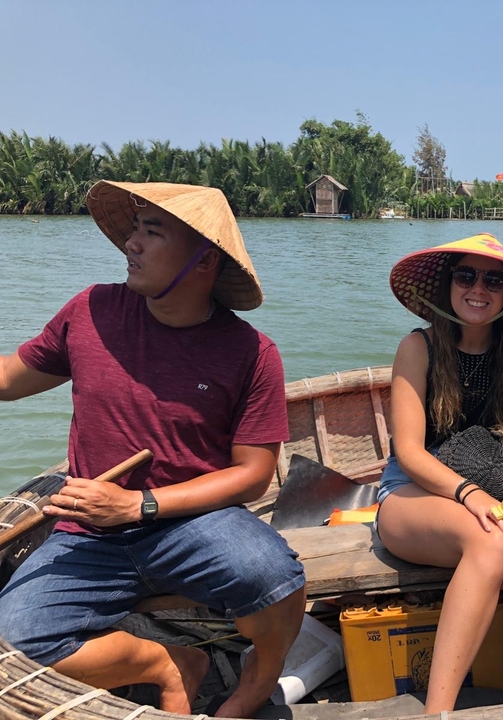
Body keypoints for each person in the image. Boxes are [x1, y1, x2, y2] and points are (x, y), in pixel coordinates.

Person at [0, 181, 306, 717]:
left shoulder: (252, 353)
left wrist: (140, 505)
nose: (131, 245)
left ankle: (254, 688)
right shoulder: (90, 311)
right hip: (89, 531)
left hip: (193, 524)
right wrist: (112, 513)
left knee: (274, 574)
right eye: (134, 230)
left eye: (153, 232)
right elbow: (9, 378)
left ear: (204, 260)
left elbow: (255, 474)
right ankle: (168, 664)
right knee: (14, 642)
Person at [377, 233, 503, 712]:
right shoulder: (418, 347)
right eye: (466, 276)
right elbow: (408, 451)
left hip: (493, 502)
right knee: (489, 543)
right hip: (412, 496)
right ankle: (438, 712)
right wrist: (470, 496)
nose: (479, 288)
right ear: (449, 285)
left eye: (494, 280)